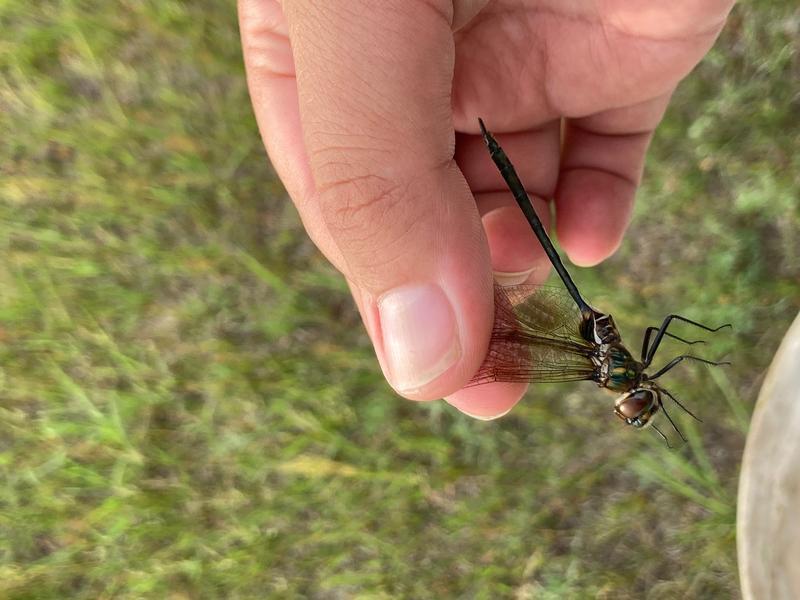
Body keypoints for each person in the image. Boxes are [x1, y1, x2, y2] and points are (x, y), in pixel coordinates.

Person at [238, 0, 735, 419]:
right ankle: (494, 154)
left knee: (514, 300)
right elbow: (667, 324)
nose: (640, 399)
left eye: (636, 407)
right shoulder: (617, 370)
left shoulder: (602, 369)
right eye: (644, 403)